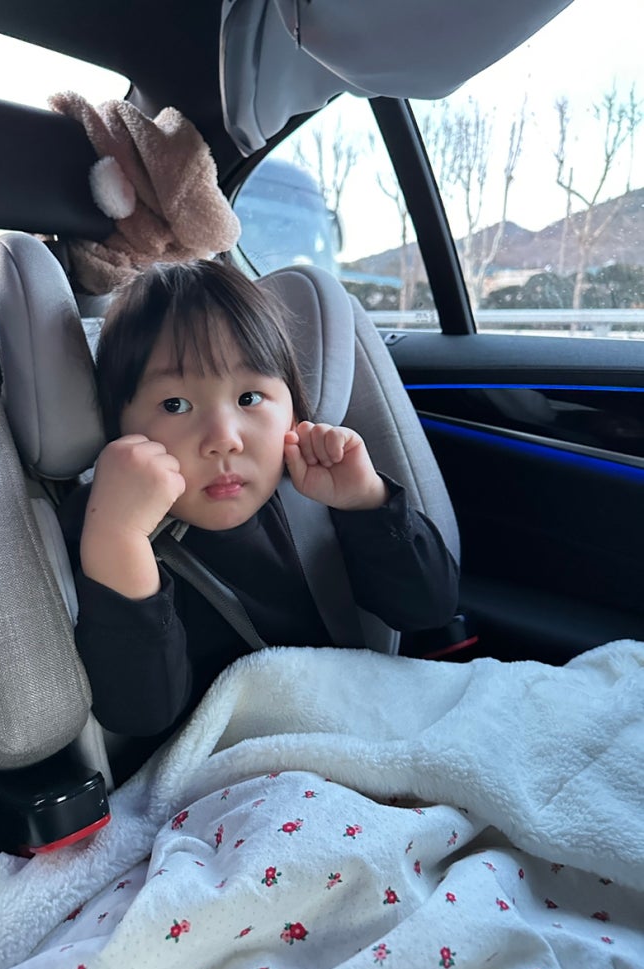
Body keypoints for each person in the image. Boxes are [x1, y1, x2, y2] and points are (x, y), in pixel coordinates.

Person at [62, 260, 458, 744]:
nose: (224, 439)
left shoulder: (313, 495)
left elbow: (430, 609)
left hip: (354, 734)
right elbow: (140, 713)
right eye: (175, 405)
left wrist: (366, 501)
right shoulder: (107, 528)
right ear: (119, 426)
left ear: (292, 409)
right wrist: (119, 541)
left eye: (249, 398)